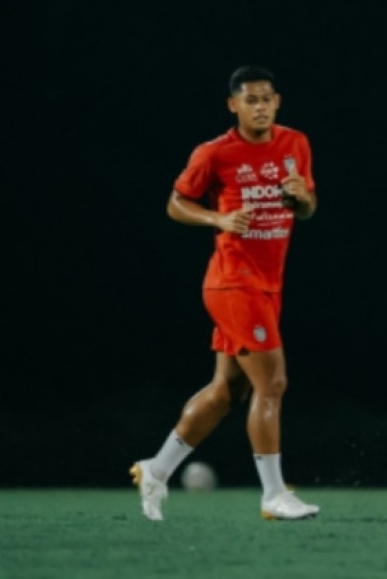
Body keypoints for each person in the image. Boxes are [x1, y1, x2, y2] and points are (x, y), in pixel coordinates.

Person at [130, 65, 321, 521]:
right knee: (272, 382)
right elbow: (175, 203)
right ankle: (274, 495)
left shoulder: (295, 143)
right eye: (251, 100)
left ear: (278, 102)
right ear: (232, 105)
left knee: (224, 393)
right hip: (233, 282)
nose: (261, 107)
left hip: (268, 285)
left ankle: (155, 469)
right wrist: (217, 219)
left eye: (267, 99)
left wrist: (302, 198)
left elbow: (309, 208)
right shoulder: (214, 153)